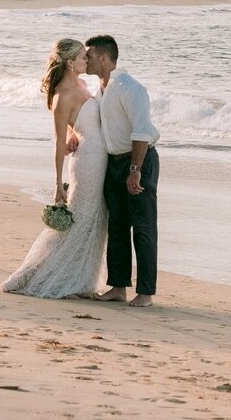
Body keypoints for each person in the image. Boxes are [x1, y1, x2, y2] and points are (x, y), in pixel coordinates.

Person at [2, 39, 108, 298]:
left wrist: (75, 132)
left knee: (94, 220)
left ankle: (79, 279)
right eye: (83, 57)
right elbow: (58, 142)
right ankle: (34, 274)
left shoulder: (82, 85)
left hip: (99, 155)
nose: (87, 60)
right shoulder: (62, 96)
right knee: (79, 220)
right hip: (88, 163)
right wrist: (58, 183)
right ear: (71, 63)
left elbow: (78, 125)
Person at [85, 35, 160, 308]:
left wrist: (135, 170)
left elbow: (141, 132)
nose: (86, 60)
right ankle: (118, 287)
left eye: (89, 56)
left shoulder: (131, 88)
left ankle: (146, 293)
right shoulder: (101, 89)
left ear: (103, 59)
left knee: (143, 226)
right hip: (113, 163)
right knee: (116, 226)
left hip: (139, 162)